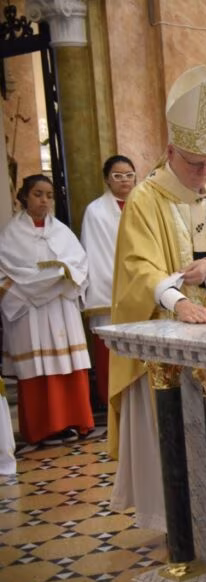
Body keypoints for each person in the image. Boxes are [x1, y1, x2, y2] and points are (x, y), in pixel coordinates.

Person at [109, 66, 206, 531]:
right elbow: (137, 267)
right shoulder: (146, 199)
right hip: (166, 340)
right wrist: (176, 299)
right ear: (171, 152)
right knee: (172, 432)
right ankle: (176, 524)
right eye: (196, 164)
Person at [0, 174, 94, 446]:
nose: (44, 200)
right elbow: (8, 275)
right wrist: (44, 283)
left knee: (69, 366)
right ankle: (42, 428)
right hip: (30, 311)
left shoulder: (62, 231)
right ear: (24, 197)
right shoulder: (10, 235)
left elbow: (80, 266)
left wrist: (54, 280)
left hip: (60, 307)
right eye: (38, 194)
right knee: (37, 369)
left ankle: (75, 420)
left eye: (49, 195)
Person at [81, 154, 137, 406]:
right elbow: (95, 253)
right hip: (109, 292)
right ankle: (113, 401)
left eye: (129, 175)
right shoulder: (96, 211)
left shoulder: (143, 204)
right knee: (110, 354)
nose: (124, 180)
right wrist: (119, 285)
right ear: (106, 179)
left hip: (141, 290)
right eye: (117, 175)